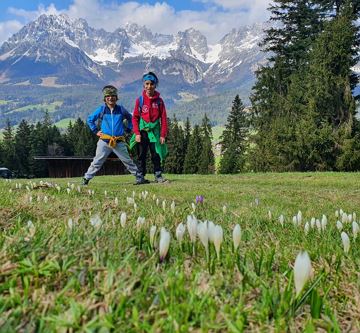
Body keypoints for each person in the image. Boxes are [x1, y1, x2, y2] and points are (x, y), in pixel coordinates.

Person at [82, 85, 142, 185]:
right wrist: (95, 131)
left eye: (113, 95)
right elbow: (90, 119)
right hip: (104, 141)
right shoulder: (101, 110)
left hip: (118, 141)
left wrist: (128, 129)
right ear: (105, 98)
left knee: (127, 160)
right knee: (97, 161)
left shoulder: (121, 109)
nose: (111, 98)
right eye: (108, 96)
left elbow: (131, 119)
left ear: (116, 97)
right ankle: (86, 179)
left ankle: (139, 178)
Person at [130, 72, 168, 184]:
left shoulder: (159, 101)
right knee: (141, 155)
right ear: (144, 85)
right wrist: (137, 133)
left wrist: (162, 135)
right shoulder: (140, 100)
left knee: (156, 154)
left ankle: (158, 175)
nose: (149, 86)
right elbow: (135, 118)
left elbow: (164, 119)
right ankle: (140, 176)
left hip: (155, 132)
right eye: (147, 84)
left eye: (152, 84)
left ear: (155, 85)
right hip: (142, 132)